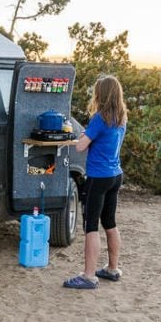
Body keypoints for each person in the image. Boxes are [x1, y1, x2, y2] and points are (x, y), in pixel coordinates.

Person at [63, 74, 127, 289]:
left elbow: (81, 147)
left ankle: (89, 275)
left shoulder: (100, 118)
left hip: (98, 178)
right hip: (115, 175)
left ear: (101, 94)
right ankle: (112, 268)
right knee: (110, 222)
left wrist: (79, 137)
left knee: (91, 226)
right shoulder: (121, 118)